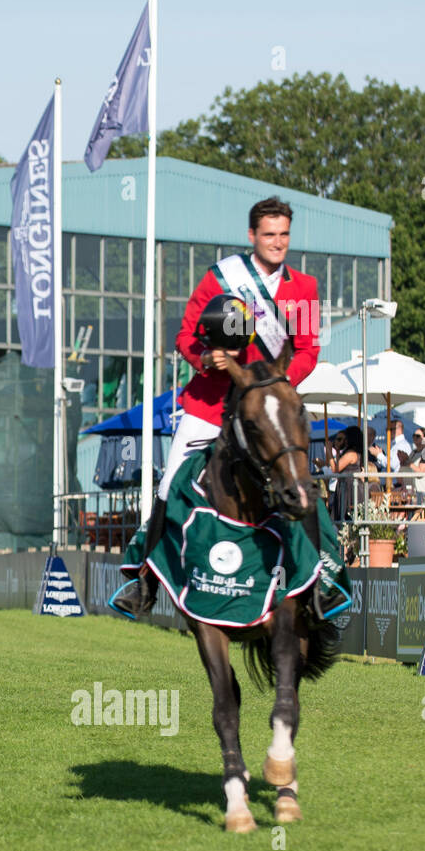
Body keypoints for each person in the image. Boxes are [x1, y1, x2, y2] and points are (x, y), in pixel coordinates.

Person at [113, 196, 322, 616]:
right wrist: (206, 359)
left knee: (300, 480)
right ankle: (145, 582)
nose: (277, 242)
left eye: (284, 234)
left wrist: (272, 388)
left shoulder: (304, 288)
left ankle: (321, 583)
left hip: (266, 411)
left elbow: (308, 350)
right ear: (252, 236)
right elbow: (187, 337)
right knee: (171, 482)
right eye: (269, 235)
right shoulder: (221, 278)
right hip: (211, 405)